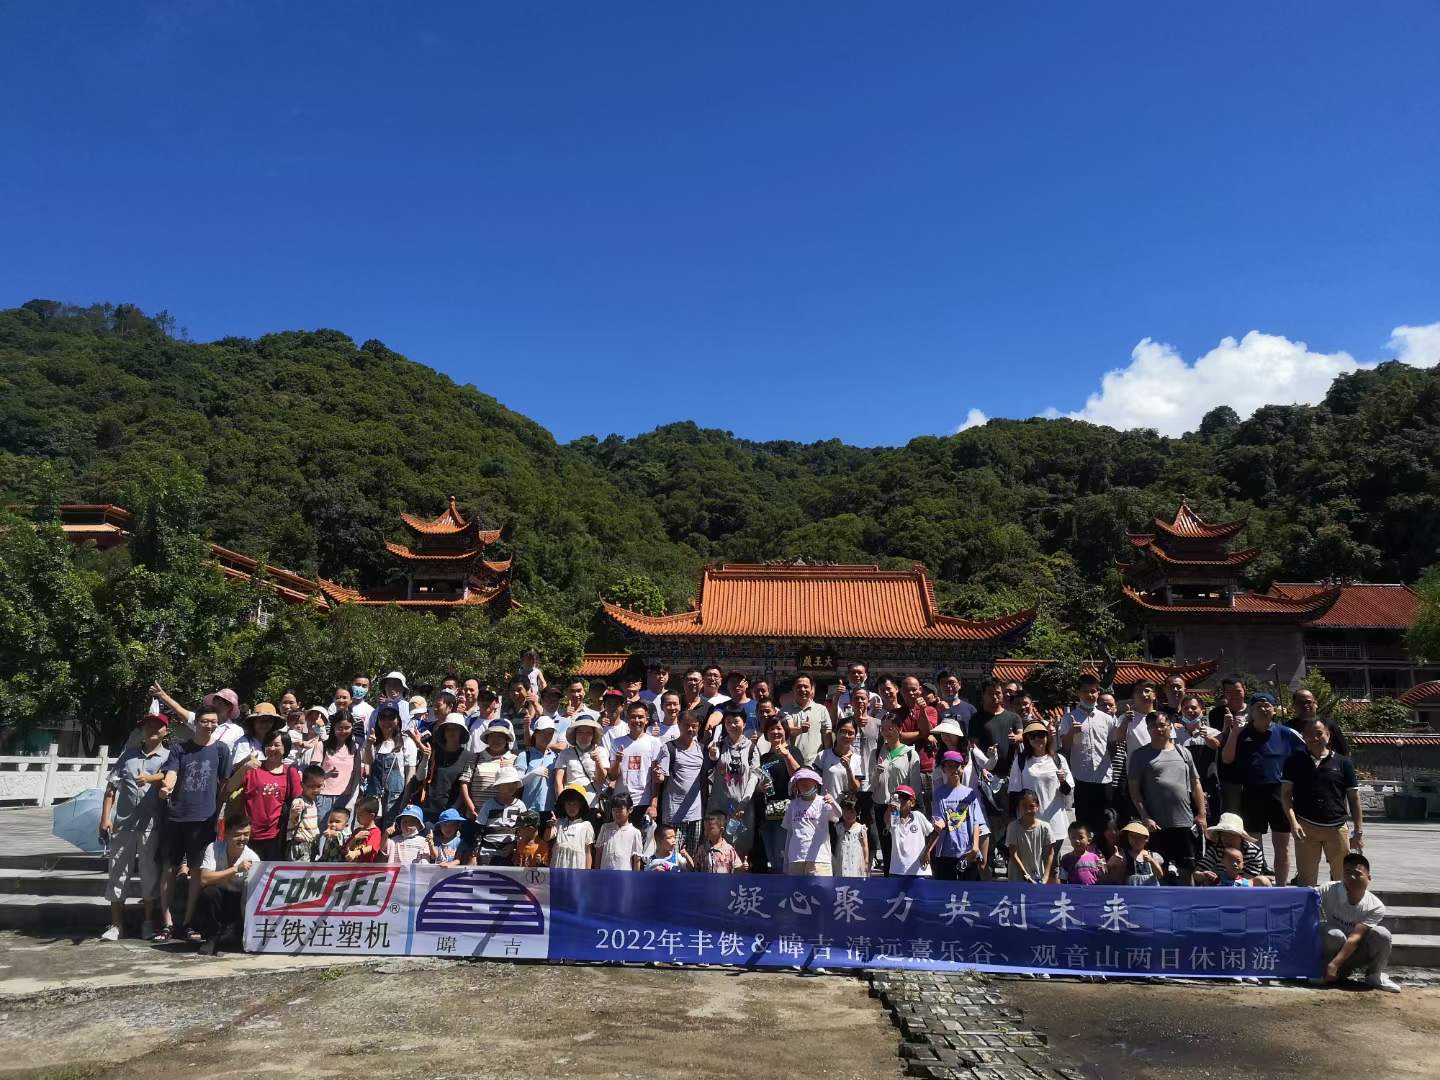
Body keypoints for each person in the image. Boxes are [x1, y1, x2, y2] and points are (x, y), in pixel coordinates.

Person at [157, 705, 234, 944]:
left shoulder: (221, 750)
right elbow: (171, 772)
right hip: (175, 816)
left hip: (204, 819)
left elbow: (225, 784)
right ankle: (167, 923)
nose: (209, 725)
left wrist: (218, 811)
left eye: (213, 721)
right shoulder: (180, 748)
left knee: (197, 871)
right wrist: (167, 786)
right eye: (204, 721)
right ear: (196, 723)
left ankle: (189, 922)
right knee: (169, 869)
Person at [99, 711, 170, 941]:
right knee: (117, 873)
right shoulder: (128, 756)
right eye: (148, 725)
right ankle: (116, 924)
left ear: (166, 731)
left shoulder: (169, 758)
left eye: (157, 725)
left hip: (152, 826)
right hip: (124, 825)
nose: (152, 729)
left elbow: (172, 782)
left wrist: (155, 781)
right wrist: (105, 818)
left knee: (149, 875)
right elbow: (111, 788)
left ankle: (148, 922)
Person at [1221, 691, 1304, 886]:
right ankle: (1253, 885)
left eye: (1268, 705)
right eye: (1259, 706)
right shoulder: (1242, 733)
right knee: (1252, 848)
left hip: (1279, 794)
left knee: (1282, 847)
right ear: (1251, 710)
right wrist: (1234, 732)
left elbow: (1305, 756)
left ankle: (1280, 888)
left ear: (1274, 710)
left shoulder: (1286, 733)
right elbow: (1226, 759)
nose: (1264, 709)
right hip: (1251, 793)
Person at [1127, 711, 1206, 884]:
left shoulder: (1183, 752)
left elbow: (1196, 784)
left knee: (1187, 871)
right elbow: (1134, 790)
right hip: (1157, 825)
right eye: (1153, 726)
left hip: (1184, 822)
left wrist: (1201, 814)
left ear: (1170, 727)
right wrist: (1145, 816)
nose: (1158, 729)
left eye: (1162, 725)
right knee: (1159, 872)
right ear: (1148, 729)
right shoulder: (1140, 755)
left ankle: (1187, 901)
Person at [1283, 716, 1363, 885]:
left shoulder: (1343, 763)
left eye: (1319, 733)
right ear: (1304, 737)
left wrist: (1358, 830)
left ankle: (1339, 903)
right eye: (1309, 734)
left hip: (1337, 827)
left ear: (1328, 735)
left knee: (1343, 879)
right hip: (1306, 827)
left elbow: (1354, 799)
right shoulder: (1294, 761)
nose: (1314, 738)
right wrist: (1293, 823)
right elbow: (1286, 794)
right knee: (1306, 880)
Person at [1319, 853, 1401, 992]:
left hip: (1355, 952)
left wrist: (1335, 963)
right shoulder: (1327, 889)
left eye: (1357, 873)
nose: (1351, 877)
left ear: (1369, 877)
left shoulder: (1376, 906)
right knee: (1334, 934)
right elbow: (1306, 902)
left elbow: (1355, 937)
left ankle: (1374, 976)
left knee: (1382, 934)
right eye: (1347, 872)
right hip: (1331, 947)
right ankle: (1324, 970)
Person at [1059, 674, 1126, 838]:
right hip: (1081, 777)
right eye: (1085, 691)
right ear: (1078, 693)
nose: (1090, 695)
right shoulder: (1068, 718)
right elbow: (1065, 747)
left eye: (1093, 691)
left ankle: (1106, 851)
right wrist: (1072, 732)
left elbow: (1112, 746)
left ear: (1098, 692)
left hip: (1104, 777)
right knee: (1084, 824)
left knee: (1107, 821)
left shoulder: (1108, 719)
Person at [224, 729, 303, 861]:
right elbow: (229, 787)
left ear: (286, 748)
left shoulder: (290, 772)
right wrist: (244, 768)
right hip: (248, 834)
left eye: (276, 745)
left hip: (276, 835)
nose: (272, 748)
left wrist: (298, 807)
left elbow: (298, 798)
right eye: (268, 745)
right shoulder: (253, 767)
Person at [1008, 721, 1072, 869]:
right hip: (1029, 822)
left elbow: (1067, 791)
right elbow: (1014, 791)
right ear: (1027, 739)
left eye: (1041, 734)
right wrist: (1012, 821)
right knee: (1030, 865)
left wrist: (1062, 781)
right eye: (1033, 736)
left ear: (1047, 737)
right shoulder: (1021, 760)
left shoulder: (1058, 759)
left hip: (1055, 822)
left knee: (1052, 866)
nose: (1038, 738)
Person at [195, 815, 260, 953]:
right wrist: (236, 869)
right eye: (237, 835)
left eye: (246, 834)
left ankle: (235, 933)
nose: (242, 838)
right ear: (226, 834)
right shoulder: (213, 847)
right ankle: (211, 937)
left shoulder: (253, 858)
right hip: (218, 897)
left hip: (237, 902)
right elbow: (204, 879)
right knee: (208, 893)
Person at [706, 706, 763, 858]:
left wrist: (744, 803)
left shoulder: (751, 748)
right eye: (728, 722)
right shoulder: (719, 745)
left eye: (736, 721)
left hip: (742, 808)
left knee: (740, 851)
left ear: (744, 724)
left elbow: (754, 776)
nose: (732, 725)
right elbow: (712, 760)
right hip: (719, 807)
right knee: (718, 850)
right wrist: (712, 754)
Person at [654, 712, 711, 860]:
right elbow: (662, 776)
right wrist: (658, 777)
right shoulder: (669, 748)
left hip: (696, 814)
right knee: (671, 856)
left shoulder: (702, 749)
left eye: (694, 726)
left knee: (692, 857)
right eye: (687, 725)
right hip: (673, 813)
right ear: (679, 725)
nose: (690, 729)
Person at [871, 714, 922, 876]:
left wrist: (908, 807)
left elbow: (915, 787)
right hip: (882, 806)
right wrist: (877, 773)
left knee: (903, 850)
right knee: (887, 850)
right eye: (883, 729)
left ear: (900, 729)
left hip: (903, 809)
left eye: (890, 728)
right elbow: (872, 785)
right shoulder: (877, 752)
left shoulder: (910, 754)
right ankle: (888, 884)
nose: (886, 733)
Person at [609, 700, 664, 841]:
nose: (637, 720)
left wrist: (653, 804)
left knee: (641, 844)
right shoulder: (617, 742)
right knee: (620, 841)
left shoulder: (654, 742)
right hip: (621, 801)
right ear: (627, 719)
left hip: (643, 801)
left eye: (640, 717)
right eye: (633, 717)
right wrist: (617, 761)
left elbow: (656, 777)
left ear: (647, 719)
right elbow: (612, 776)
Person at [755, 714, 802, 873]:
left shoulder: (793, 751)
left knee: (783, 858)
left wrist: (786, 755)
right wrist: (759, 787)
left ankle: (785, 886)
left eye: (779, 728)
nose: (775, 732)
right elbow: (760, 782)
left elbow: (799, 776)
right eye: (771, 729)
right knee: (772, 858)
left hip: (786, 813)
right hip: (767, 813)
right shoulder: (765, 757)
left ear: (785, 731)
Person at [930, 751, 985, 881]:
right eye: (950, 766)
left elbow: (976, 821)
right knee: (945, 890)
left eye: (957, 766)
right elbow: (938, 819)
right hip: (945, 853)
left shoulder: (970, 793)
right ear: (943, 769)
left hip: (967, 853)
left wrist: (975, 847)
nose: (954, 770)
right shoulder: (938, 793)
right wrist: (938, 824)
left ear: (962, 767)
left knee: (968, 890)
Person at [363, 704, 417, 824]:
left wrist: (406, 798)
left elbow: (410, 771)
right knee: (372, 827)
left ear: (398, 720)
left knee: (390, 828)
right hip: (374, 794)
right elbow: (368, 762)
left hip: (396, 797)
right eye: (383, 717)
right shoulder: (372, 740)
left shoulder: (406, 742)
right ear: (378, 720)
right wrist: (369, 745)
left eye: (391, 717)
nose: (387, 721)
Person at [782, 768, 841, 875]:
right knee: (796, 886)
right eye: (801, 782)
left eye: (807, 781)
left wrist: (833, 802)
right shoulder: (793, 805)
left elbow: (838, 815)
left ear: (815, 783)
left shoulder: (823, 802)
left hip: (819, 859)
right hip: (796, 858)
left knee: (821, 886)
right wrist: (786, 860)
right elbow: (789, 833)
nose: (804, 785)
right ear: (796, 785)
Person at [419, 715, 474, 823]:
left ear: (461, 732)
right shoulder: (433, 752)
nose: (452, 732)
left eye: (455, 729)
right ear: (444, 732)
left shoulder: (468, 757)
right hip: (428, 810)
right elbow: (420, 777)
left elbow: (465, 786)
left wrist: (453, 809)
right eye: (448, 729)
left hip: (452, 815)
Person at [1195, 813, 1274, 886]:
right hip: (1221, 883)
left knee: (1263, 880)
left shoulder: (1254, 852)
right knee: (1207, 881)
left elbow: (1248, 881)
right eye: (1223, 835)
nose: (1226, 839)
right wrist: (1203, 875)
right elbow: (1196, 873)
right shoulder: (1215, 849)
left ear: (1241, 836)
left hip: (1243, 886)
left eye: (1230, 835)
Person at [462, 720, 518, 822]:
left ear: (506, 739)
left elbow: (517, 788)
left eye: (500, 736)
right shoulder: (475, 758)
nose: (496, 740)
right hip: (476, 815)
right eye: (492, 736)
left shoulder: (514, 760)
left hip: (502, 818)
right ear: (487, 739)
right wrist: (471, 808)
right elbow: (464, 784)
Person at [552, 716, 609, 813]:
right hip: (571, 804)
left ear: (593, 735)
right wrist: (561, 802)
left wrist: (597, 761)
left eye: (588, 733)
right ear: (575, 734)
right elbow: (558, 780)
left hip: (593, 803)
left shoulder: (601, 751)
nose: (584, 736)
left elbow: (601, 780)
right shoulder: (565, 753)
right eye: (580, 732)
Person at [470, 766, 525, 865]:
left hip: (510, 854)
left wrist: (514, 845)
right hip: (487, 853)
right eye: (507, 783)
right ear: (498, 786)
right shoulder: (489, 805)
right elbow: (479, 830)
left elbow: (523, 831)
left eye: (514, 783)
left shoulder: (520, 805)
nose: (511, 786)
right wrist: (474, 855)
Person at [314, 711, 361, 824]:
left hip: (346, 798)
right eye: (340, 728)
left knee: (342, 833)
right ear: (333, 727)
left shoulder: (355, 748)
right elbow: (313, 774)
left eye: (347, 728)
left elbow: (357, 775)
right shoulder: (322, 746)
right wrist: (326, 775)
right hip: (323, 797)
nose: (343, 731)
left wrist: (353, 799)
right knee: (322, 832)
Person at [1004, 790, 1055, 884]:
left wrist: (1046, 875)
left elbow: (1050, 853)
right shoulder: (1013, 827)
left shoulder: (1045, 827)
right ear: (1019, 807)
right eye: (1024, 806)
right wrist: (1026, 875)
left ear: (1038, 807)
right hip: (1017, 876)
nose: (1028, 810)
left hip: (1038, 874)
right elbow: (1013, 854)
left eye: (1031, 806)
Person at [886, 785, 935, 877]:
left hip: (919, 871)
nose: (900, 801)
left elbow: (934, 833)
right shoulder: (894, 819)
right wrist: (890, 807)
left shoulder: (918, 816)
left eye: (904, 798)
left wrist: (927, 851)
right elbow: (886, 820)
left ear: (912, 803)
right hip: (897, 870)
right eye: (898, 798)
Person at [784, 675, 832, 767]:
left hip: (816, 763)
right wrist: (800, 729)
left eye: (806, 686)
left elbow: (827, 736)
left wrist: (828, 759)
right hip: (791, 763)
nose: (802, 689)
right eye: (799, 687)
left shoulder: (821, 710)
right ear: (793, 689)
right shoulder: (785, 710)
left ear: (811, 689)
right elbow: (788, 730)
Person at [516, 717, 559, 819]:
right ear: (535, 733)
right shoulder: (524, 756)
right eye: (543, 732)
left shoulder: (556, 757)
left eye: (550, 733)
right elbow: (516, 783)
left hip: (550, 811)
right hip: (528, 810)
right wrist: (533, 773)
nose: (546, 736)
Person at [285, 765, 326, 861]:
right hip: (300, 844)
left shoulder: (313, 802)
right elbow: (294, 818)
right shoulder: (300, 801)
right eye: (311, 786)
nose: (315, 790)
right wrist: (295, 813)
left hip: (311, 844)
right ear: (302, 785)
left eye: (319, 786)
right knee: (300, 869)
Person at [595, 792, 645, 871]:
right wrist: (596, 873)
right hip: (605, 873)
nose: (617, 813)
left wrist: (636, 877)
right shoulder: (606, 828)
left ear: (630, 809)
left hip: (624, 874)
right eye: (614, 810)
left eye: (620, 810)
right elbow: (598, 853)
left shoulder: (635, 832)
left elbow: (636, 859)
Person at [551, 784, 596, 869]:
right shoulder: (559, 823)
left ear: (580, 806)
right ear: (564, 806)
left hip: (577, 868)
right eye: (569, 804)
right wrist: (550, 826)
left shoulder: (586, 825)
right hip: (559, 867)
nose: (571, 808)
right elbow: (547, 838)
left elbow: (588, 852)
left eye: (575, 804)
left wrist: (587, 872)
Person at [1107, 820, 1164, 886]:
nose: (1135, 840)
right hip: (1132, 891)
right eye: (1132, 836)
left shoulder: (1153, 856)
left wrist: (1152, 861)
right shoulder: (1123, 856)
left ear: (1146, 839)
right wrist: (1111, 866)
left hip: (1150, 891)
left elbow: (1160, 875)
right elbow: (1117, 879)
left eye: (1139, 836)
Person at [833, 795, 869, 878]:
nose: (848, 815)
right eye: (845, 811)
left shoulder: (861, 828)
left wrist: (866, 861)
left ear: (857, 813)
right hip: (841, 858)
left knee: (855, 875)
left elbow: (865, 846)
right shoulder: (839, 827)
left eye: (852, 812)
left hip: (855, 859)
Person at [345, 797, 386, 863]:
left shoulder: (375, 832)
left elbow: (371, 847)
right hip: (353, 866)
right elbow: (346, 847)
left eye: (360, 815)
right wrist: (355, 838)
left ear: (371, 816)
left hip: (366, 867)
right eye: (357, 815)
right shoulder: (357, 831)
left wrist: (356, 853)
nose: (357, 817)